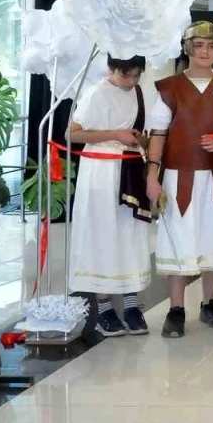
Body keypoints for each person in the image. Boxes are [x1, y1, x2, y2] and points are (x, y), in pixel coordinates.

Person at [147, 22, 213, 338]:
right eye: (199, 46)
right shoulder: (169, 88)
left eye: (211, 46)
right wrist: (152, 176)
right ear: (188, 49)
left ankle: (209, 303)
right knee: (177, 239)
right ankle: (176, 309)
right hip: (176, 176)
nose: (205, 52)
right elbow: (158, 135)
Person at [68, 54, 153, 337]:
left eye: (136, 75)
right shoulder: (96, 93)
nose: (130, 81)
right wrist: (115, 134)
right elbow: (73, 134)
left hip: (129, 168)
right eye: (124, 75)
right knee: (101, 233)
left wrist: (138, 139)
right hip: (100, 171)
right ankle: (104, 308)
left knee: (129, 233)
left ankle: (131, 305)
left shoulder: (138, 92)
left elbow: (141, 135)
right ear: (111, 68)